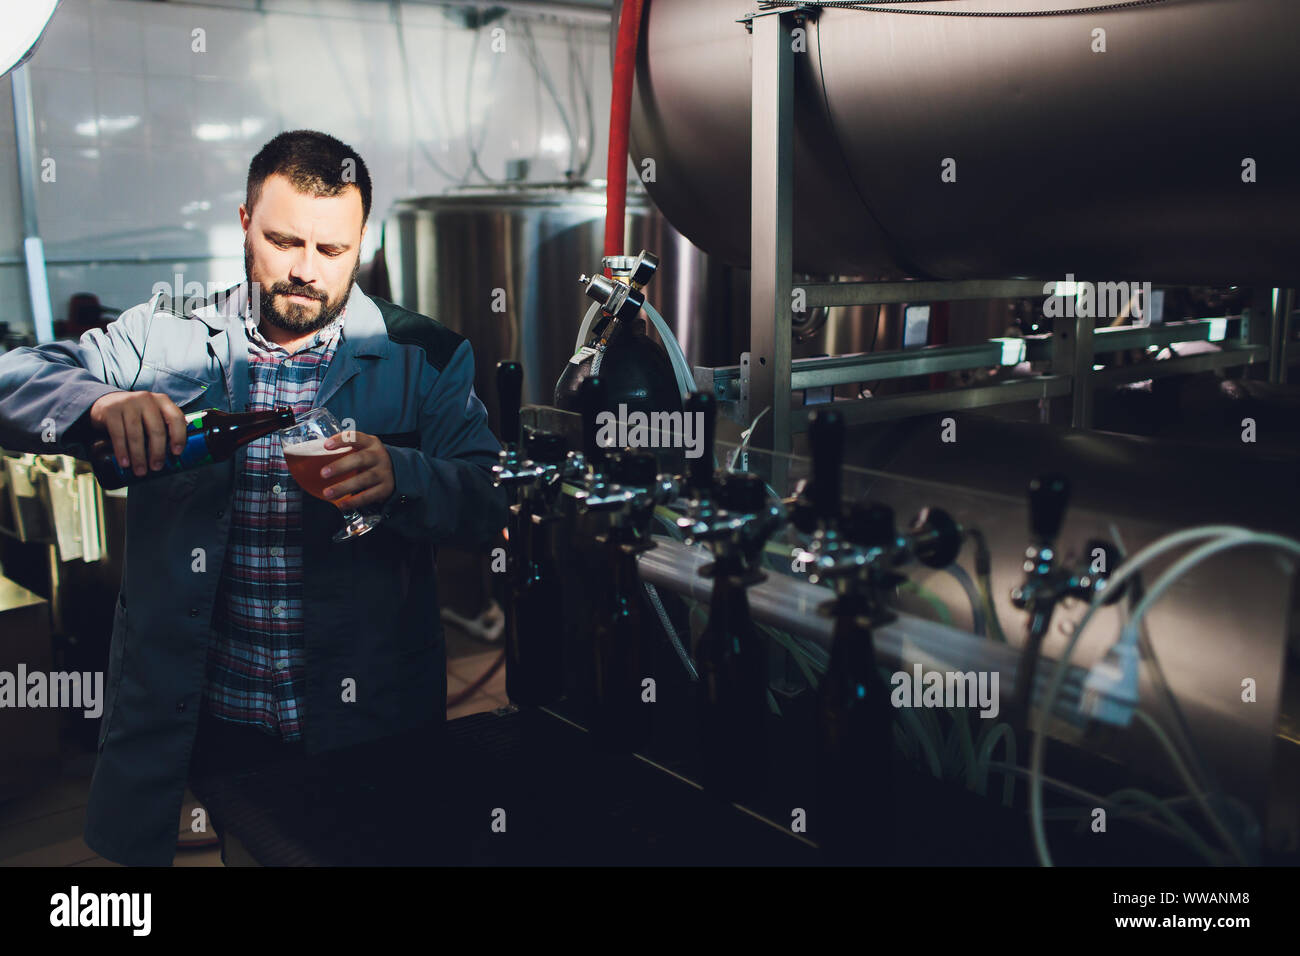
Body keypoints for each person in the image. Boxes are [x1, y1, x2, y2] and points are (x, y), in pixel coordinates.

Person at [0, 130, 508, 865]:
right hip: (214, 711)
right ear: (245, 223)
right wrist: (99, 406)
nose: (305, 272)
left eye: (332, 251)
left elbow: (488, 497)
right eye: (283, 241)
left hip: (362, 712)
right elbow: (14, 377)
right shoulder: (163, 340)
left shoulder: (423, 356)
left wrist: (405, 476)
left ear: (362, 241)